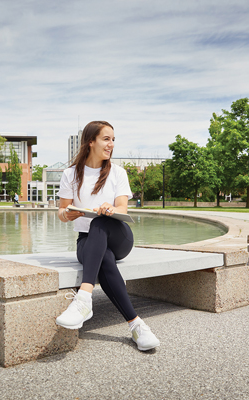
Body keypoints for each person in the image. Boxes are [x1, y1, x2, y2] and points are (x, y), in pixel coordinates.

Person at [56, 120, 160, 351]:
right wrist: (68, 214)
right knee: (105, 259)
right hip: (87, 241)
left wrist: (111, 210)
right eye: (106, 139)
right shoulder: (70, 174)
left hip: (119, 235)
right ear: (90, 141)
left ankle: (83, 298)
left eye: (113, 139)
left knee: (101, 220)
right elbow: (62, 211)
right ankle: (136, 325)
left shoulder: (117, 172)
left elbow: (123, 209)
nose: (111, 144)